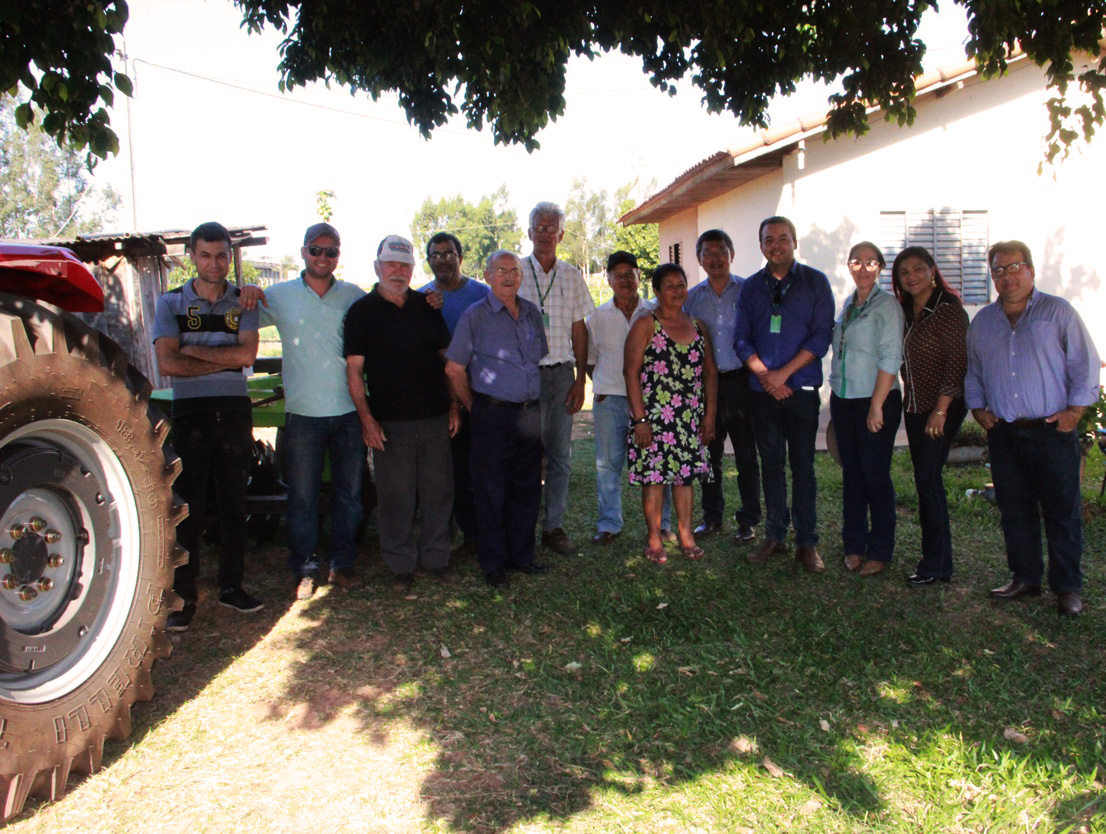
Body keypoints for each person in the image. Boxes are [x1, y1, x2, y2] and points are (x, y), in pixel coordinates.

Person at [965, 240, 1100, 616]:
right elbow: (974, 371)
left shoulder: (1058, 313)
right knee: (1015, 509)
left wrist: (1075, 412)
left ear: (1031, 270)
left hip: (1051, 429)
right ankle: (1025, 577)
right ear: (992, 276)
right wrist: (977, 408)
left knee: (1061, 509)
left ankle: (1067, 588)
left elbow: (1084, 365)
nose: (1007, 276)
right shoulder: (983, 323)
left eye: (1014, 267)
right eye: (998, 270)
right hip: (1005, 432)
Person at [241, 222, 367, 600]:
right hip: (302, 416)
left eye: (331, 251)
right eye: (316, 249)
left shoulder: (353, 296)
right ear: (303, 252)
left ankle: (341, 563)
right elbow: (239, 312)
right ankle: (306, 567)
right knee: (302, 497)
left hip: (348, 412)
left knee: (350, 494)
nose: (323, 257)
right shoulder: (277, 295)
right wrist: (246, 291)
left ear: (338, 255)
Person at [153, 221, 263, 631]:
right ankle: (184, 598)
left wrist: (191, 350)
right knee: (189, 507)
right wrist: (225, 355)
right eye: (205, 255)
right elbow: (166, 363)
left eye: (221, 255)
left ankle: (231, 587)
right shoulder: (170, 303)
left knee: (235, 502)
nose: (214, 263)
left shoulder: (243, 300)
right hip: (191, 412)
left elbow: (247, 355)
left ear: (229, 256)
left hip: (234, 410)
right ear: (192, 257)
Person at [344, 235, 459, 593]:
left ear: (412, 269)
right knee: (396, 498)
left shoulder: (428, 306)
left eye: (404, 265)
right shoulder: (361, 313)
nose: (398, 271)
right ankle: (400, 565)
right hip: (389, 422)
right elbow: (353, 372)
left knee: (439, 492)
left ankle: (437, 558)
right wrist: (367, 420)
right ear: (377, 267)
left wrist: (453, 404)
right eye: (391, 264)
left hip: (434, 416)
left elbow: (446, 360)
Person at [734, 216, 834, 573]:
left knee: (803, 467)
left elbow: (821, 336)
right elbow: (741, 338)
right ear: (761, 245)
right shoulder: (750, 288)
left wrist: (783, 374)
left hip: (801, 390)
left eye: (782, 238)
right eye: (768, 240)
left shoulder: (815, 283)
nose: (775, 245)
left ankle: (806, 543)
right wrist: (765, 375)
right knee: (771, 465)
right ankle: (775, 536)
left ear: (794, 241)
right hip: (762, 393)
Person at [445, 251, 549, 588]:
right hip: (492, 413)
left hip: (529, 413)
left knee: (528, 486)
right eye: (500, 270)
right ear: (488, 276)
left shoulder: (532, 313)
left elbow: (537, 360)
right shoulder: (474, 317)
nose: (508, 276)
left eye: (514, 271)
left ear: (521, 276)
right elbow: (454, 368)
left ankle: (523, 556)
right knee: (491, 490)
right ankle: (494, 563)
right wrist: (474, 406)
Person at [517, 201, 596, 556]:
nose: (546, 233)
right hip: (527, 378)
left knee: (561, 457)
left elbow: (580, 329)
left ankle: (554, 527)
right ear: (529, 231)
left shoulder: (572, 275)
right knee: (527, 455)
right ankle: (523, 527)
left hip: (563, 374)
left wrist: (580, 380)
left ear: (562, 235)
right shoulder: (515, 272)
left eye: (552, 228)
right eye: (539, 226)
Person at [625, 263, 716, 563]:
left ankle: (686, 535)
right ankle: (654, 538)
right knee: (654, 478)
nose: (677, 291)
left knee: (684, 478)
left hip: (689, 418)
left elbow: (710, 374)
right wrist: (640, 419)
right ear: (657, 291)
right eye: (670, 286)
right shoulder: (646, 324)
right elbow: (630, 372)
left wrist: (709, 416)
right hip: (653, 418)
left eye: (682, 285)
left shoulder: (698, 326)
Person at [891, 245, 969, 585]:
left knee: (928, 479)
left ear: (933, 271)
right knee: (925, 481)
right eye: (904, 272)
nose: (911, 277)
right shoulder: (906, 310)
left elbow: (956, 366)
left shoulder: (949, 311)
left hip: (942, 407)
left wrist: (940, 410)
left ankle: (936, 565)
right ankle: (937, 561)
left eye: (918, 269)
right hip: (915, 405)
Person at [828, 242, 904, 576]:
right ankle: (854, 545)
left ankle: (880, 550)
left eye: (871, 262)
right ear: (848, 265)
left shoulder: (887, 306)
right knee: (852, 474)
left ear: (880, 268)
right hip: (844, 400)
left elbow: (890, 356)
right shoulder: (848, 306)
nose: (863, 267)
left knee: (875, 476)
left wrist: (877, 406)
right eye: (857, 261)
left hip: (877, 399)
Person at [684, 229, 761, 543]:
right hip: (705, 387)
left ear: (732, 253)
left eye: (721, 251)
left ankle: (748, 520)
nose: (714, 258)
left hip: (743, 383)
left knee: (745, 455)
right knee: (709, 455)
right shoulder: (691, 299)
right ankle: (712, 517)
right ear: (699, 259)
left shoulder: (749, 291)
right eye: (707, 252)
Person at [418, 232, 491, 558]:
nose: (442, 259)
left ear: (460, 257)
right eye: (435, 254)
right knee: (446, 471)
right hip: (438, 400)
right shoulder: (420, 299)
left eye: (448, 253)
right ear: (428, 260)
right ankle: (448, 535)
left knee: (480, 468)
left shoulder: (482, 294)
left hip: (480, 396)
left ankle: (482, 532)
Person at [585, 251, 645, 545]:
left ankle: (663, 524)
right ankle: (609, 524)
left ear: (639, 276)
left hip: (649, 402)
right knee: (608, 465)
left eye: (629, 274)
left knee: (656, 464)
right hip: (610, 401)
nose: (624, 280)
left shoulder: (654, 311)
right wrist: (607, 386)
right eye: (617, 275)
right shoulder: (596, 318)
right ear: (608, 279)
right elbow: (588, 360)